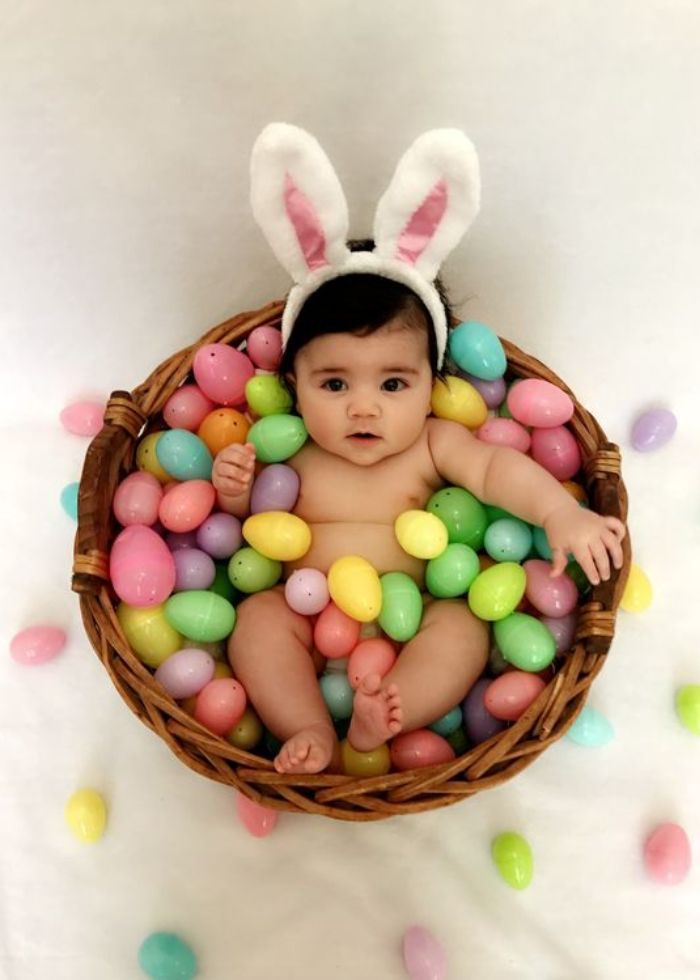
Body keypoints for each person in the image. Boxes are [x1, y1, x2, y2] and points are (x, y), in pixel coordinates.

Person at [210, 124, 626, 775]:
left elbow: (495, 470)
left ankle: (393, 711)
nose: (364, 406)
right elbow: (243, 538)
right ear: (294, 386)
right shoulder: (288, 450)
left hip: (415, 615)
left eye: (394, 382)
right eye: (335, 383)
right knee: (256, 622)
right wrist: (233, 488)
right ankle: (311, 728)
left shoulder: (432, 442)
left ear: (433, 384)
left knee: (462, 628)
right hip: (301, 610)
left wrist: (557, 513)